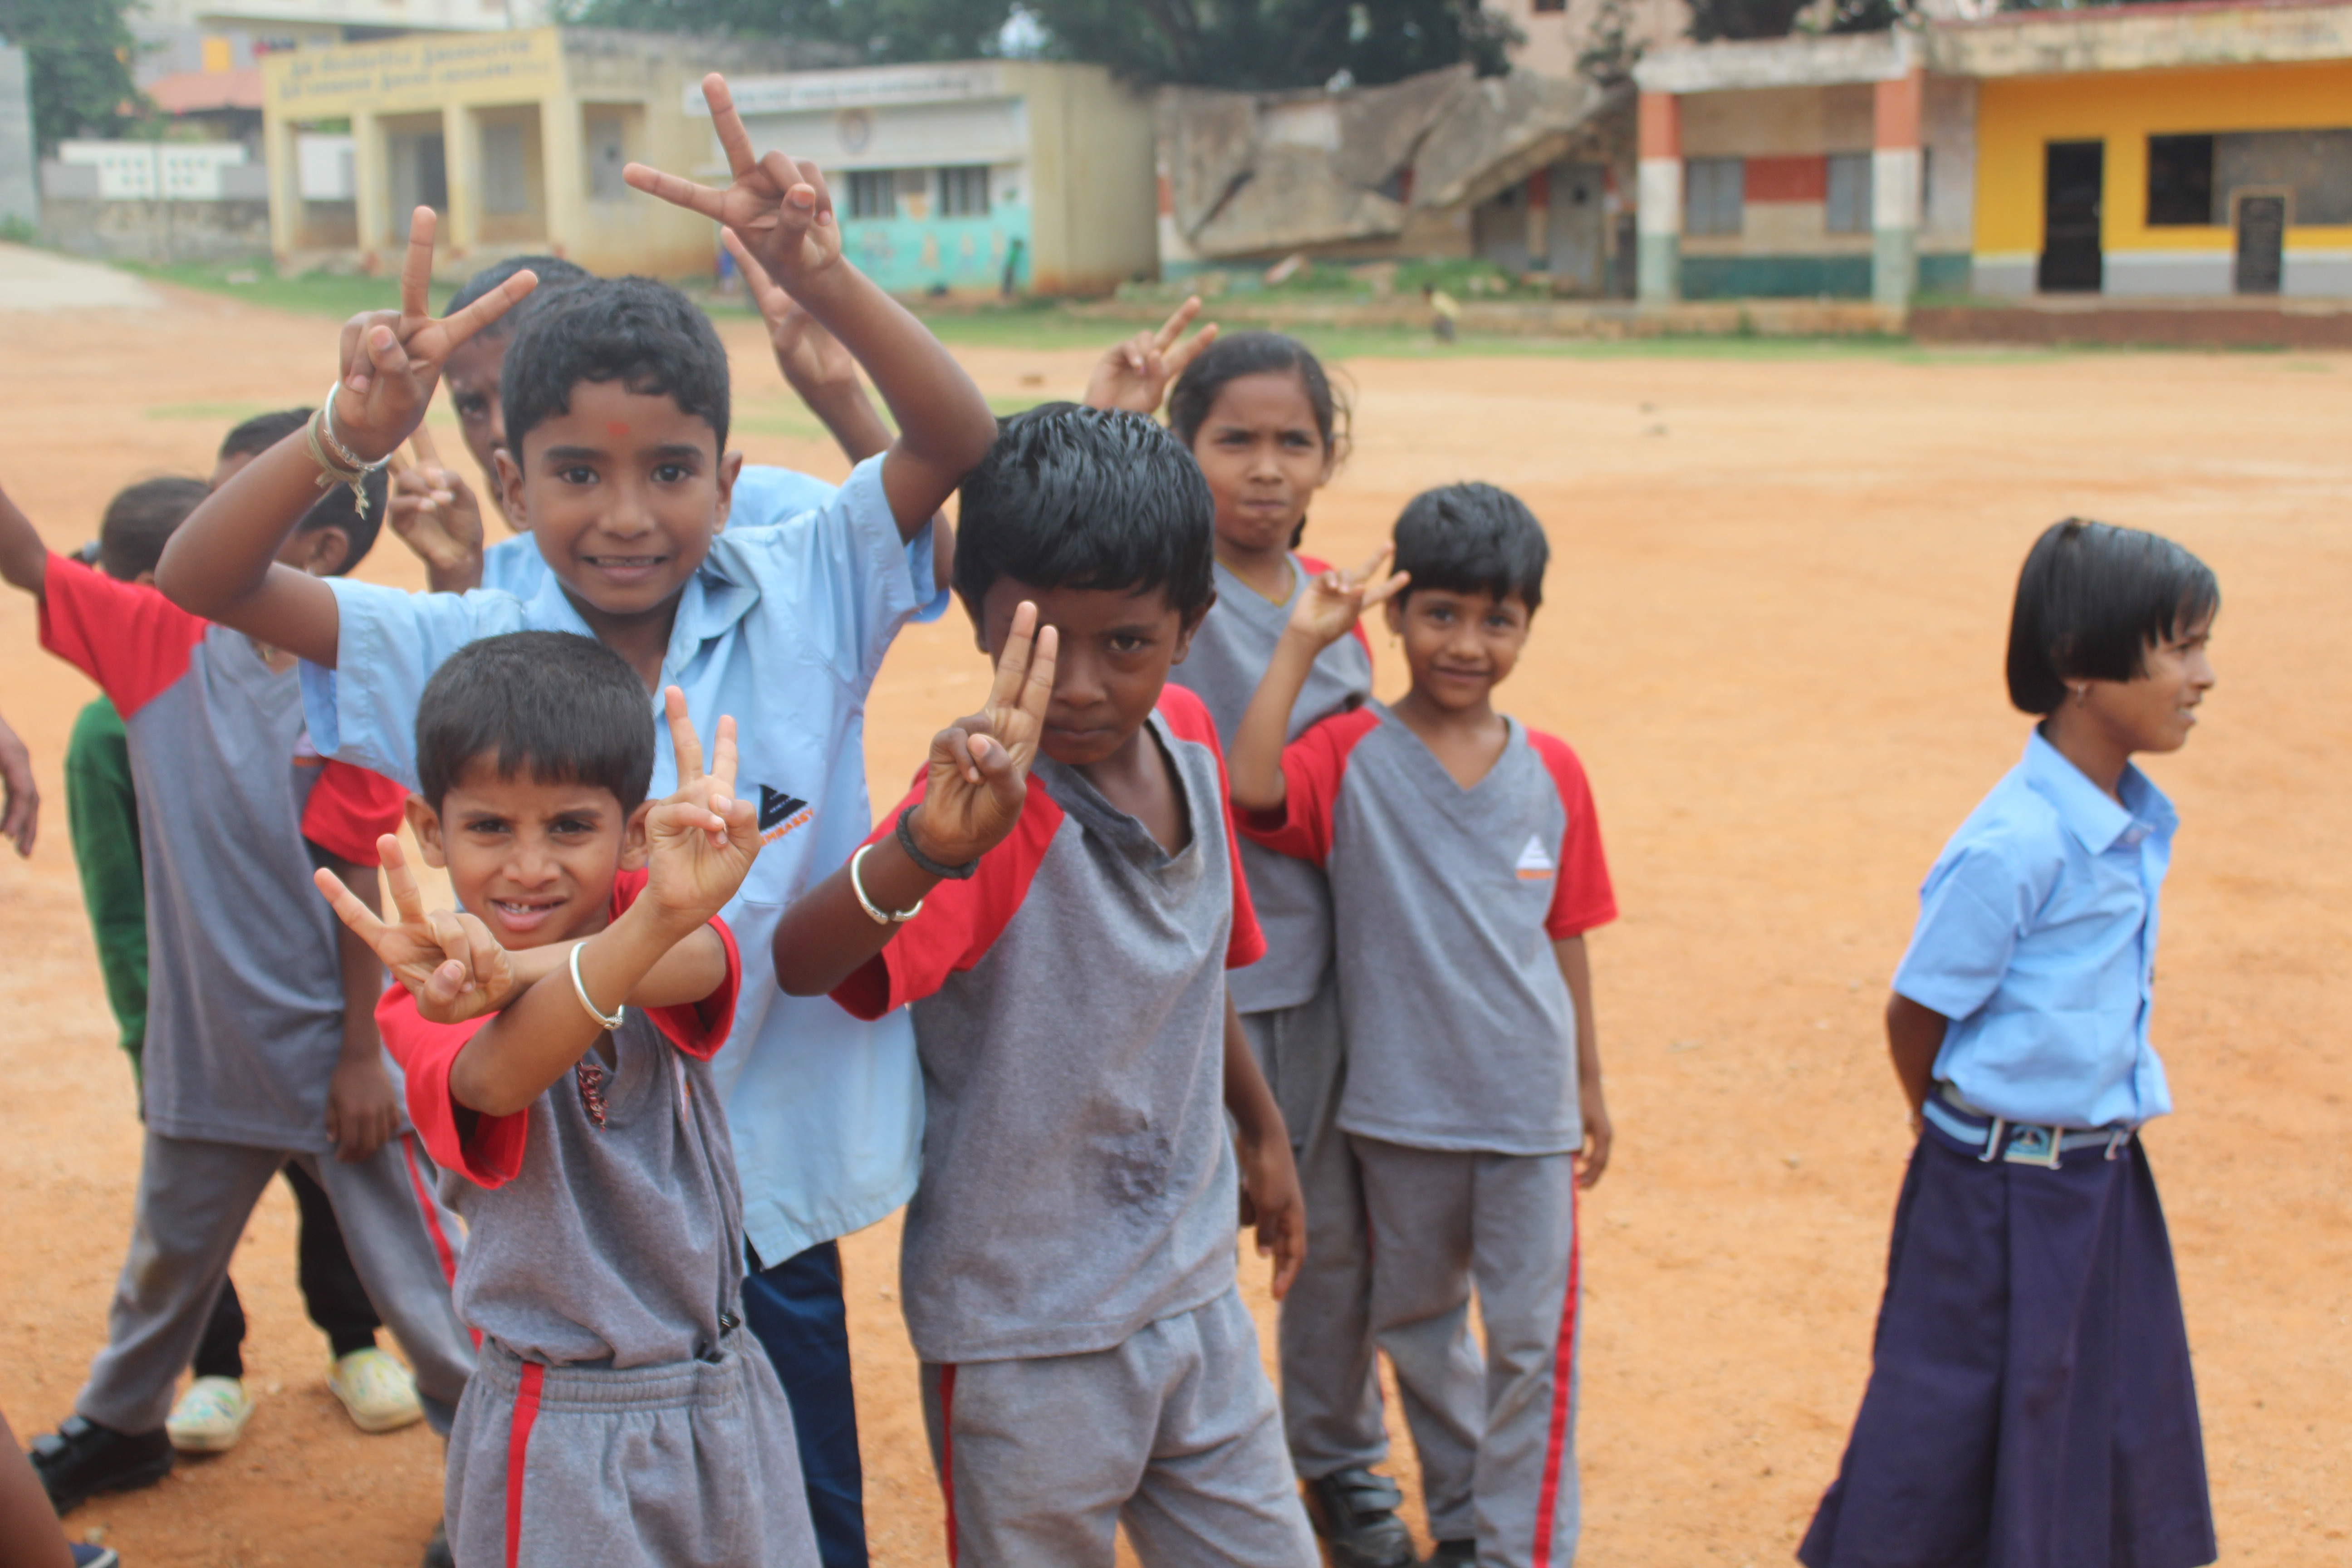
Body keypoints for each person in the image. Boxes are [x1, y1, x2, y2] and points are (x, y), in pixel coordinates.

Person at [153, 80, 1000, 1567]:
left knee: (800, 1519)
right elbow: (201, 575)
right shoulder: (459, 641)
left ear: (728, 478)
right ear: (508, 475)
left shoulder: (809, 575)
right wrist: (341, 437)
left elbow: (957, 431)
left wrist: (820, 276)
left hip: (772, 1178)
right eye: (577, 472)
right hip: (569, 1206)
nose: (625, 513)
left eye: (669, 470)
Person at [773, 403, 1318, 1567]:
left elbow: (1194, 971)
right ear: (978, 622)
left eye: (1122, 641)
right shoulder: (987, 815)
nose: (1074, 685)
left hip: (1189, 1290)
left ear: (1190, 628)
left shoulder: (1192, 740)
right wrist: (928, 845)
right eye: (1037, 640)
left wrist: (1261, 1130)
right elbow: (807, 963)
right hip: (1023, 1330)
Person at [0, 462, 475, 1536]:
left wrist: (362, 1052)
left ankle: (495, 1462)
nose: (211, 528)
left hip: (337, 1068)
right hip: (207, 1051)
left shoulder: (349, 674)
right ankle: (122, 1423)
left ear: (315, 556)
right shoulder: (158, 637)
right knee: (165, 1268)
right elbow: (28, 559)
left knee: (430, 1295)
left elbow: (365, 870)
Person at [318, 633, 817, 1566]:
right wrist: (540, 970)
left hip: (724, 1383)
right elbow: (501, 1077)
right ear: (431, 829)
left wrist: (521, 967)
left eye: (570, 828)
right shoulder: (422, 993)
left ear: (632, 832)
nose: (530, 867)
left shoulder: (647, 913)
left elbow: (703, 955)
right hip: (562, 1419)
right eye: (491, 828)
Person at [1799, 519, 2220, 1568]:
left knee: (2100, 1414)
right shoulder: (2015, 842)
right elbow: (1917, 1013)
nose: (2203, 676)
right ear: (2082, 665)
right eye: (2179, 647)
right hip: (1991, 1194)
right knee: (1945, 1427)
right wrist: (1950, 1129)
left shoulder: (2127, 815)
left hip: (2098, 1181)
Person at [1227, 483, 1618, 1568]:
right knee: (1420, 1326)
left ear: (1530, 625)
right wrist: (1304, 645)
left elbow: (1569, 929)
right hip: (1398, 1114)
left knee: (1534, 1344)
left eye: (1500, 619)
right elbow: (1250, 782)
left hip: (1529, 1111)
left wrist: (1588, 1083)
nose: (1469, 643)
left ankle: (1518, 1549)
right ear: (1393, 617)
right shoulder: (1351, 754)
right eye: (1441, 612)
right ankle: (1460, 1521)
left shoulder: (1557, 771)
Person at [1087, 314, 1410, 1564]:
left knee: (1316, 1224)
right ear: (1184, 448)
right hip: (1171, 974)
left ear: (1328, 459)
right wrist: (1115, 420)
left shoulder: (1337, 598)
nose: (1266, 468)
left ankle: (1334, 1457)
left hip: (1312, 965)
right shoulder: (1157, 580)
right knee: (1161, 1216)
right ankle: (1151, 1449)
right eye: (1234, 440)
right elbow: (1075, 536)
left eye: (1295, 441)